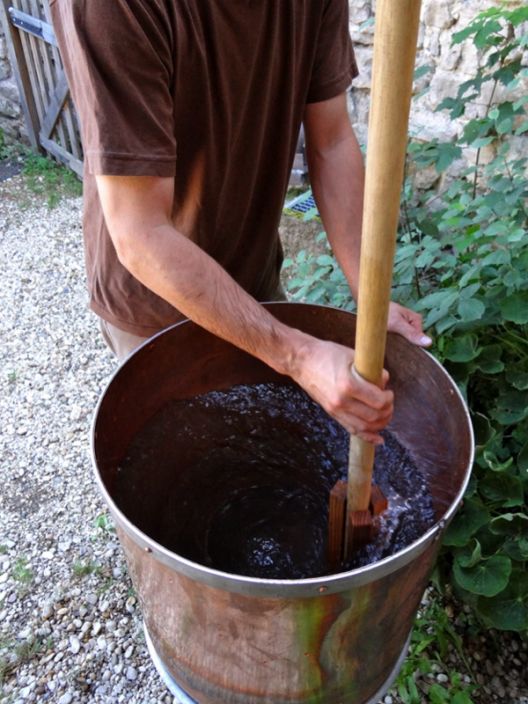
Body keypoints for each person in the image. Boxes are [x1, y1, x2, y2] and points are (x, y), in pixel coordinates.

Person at [51, 0, 431, 446]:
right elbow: (140, 231)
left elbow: (331, 142)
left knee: (272, 453)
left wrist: (370, 296)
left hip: (255, 277)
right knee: (183, 475)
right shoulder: (109, 7)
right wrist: (299, 355)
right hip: (156, 302)